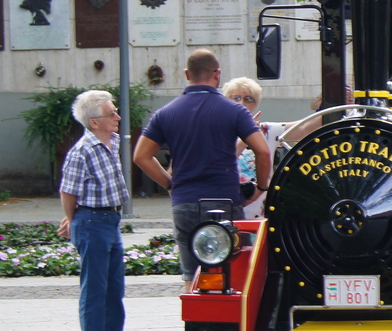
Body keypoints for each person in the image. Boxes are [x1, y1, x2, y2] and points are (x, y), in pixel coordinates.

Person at [134, 49, 271, 283]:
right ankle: (229, 319)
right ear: (217, 74)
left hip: (185, 202)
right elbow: (262, 150)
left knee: (192, 276)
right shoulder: (235, 110)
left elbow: (141, 156)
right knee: (232, 274)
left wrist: (170, 183)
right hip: (224, 202)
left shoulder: (165, 113)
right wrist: (261, 186)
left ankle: (194, 317)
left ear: (187, 74)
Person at [58, 90, 133, 331]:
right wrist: (72, 219)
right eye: (111, 114)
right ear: (94, 122)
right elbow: (68, 192)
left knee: (114, 286)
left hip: (110, 220)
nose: (117, 117)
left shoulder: (111, 143)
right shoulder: (82, 151)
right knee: (95, 287)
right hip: (91, 221)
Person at [221, 78, 324, 219]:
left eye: (248, 99)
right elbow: (221, 164)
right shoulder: (217, 133)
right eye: (236, 98)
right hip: (225, 215)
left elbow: (303, 128)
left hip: (259, 217)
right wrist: (245, 139)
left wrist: (330, 105)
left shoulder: (264, 130)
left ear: (255, 105)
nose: (242, 103)